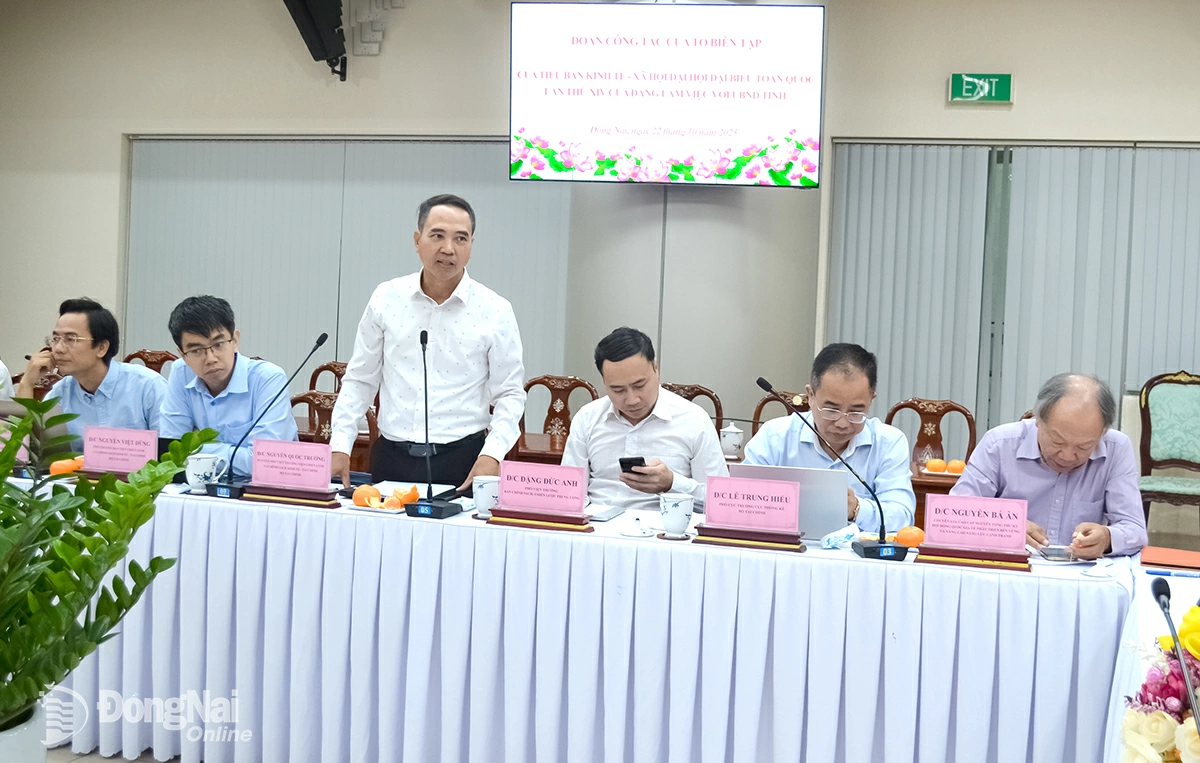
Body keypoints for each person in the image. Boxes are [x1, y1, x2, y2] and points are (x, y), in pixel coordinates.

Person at [330, 194, 526, 490]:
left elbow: (510, 394)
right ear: (417, 240)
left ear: (472, 245)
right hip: (392, 458)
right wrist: (340, 444)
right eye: (437, 235)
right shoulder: (386, 299)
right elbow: (359, 380)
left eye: (461, 238)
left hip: (463, 461)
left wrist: (492, 454)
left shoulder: (495, 310)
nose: (448, 249)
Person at [951, 373, 1147, 558]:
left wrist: (1106, 537)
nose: (1068, 456)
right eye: (1057, 441)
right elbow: (953, 515)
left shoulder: (1116, 448)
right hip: (1011, 570)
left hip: (1080, 576)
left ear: (1103, 432)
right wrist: (1005, 528)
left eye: (1084, 446)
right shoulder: (1000, 444)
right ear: (1038, 420)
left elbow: (1135, 529)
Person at [742, 343, 915, 534]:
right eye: (831, 410)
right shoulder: (775, 436)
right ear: (811, 395)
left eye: (856, 411)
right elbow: (739, 500)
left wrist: (856, 508)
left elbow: (903, 518)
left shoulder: (888, 443)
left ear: (871, 399)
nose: (842, 423)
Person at [561, 327, 728, 512]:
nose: (632, 400)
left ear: (656, 369)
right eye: (618, 390)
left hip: (664, 532)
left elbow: (720, 502)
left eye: (639, 385)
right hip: (597, 528)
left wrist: (672, 484)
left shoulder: (694, 421)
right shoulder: (587, 418)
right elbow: (569, 494)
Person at [159, 295, 297, 479]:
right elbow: (172, 452)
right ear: (182, 354)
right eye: (196, 350)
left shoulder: (267, 379)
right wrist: (239, 454)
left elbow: (264, 462)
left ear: (235, 340)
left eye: (218, 344)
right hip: (203, 486)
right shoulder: (181, 372)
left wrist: (197, 448)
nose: (211, 358)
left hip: (263, 490)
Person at [15, 298, 166, 444]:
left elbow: (169, 456)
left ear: (101, 348)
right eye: (55, 339)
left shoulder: (148, 386)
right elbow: (29, 448)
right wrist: (27, 383)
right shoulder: (60, 393)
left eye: (70, 339)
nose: (58, 349)